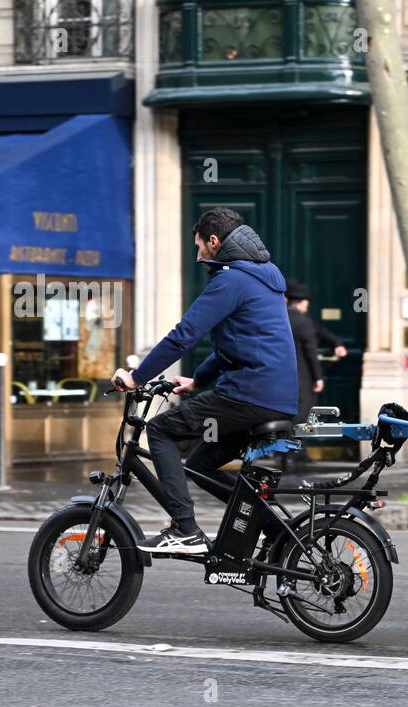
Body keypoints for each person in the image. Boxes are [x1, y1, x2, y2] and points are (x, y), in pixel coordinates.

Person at [110, 207, 298, 554]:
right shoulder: (261, 275)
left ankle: (185, 529)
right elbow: (237, 344)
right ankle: (276, 531)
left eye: (199, 246)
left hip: (249, 394)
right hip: (271, 396)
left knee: (160, 431)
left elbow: (184, 336)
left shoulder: (231, 279)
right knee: (199, 465)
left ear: (214, 241)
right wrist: (197, 381)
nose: (197, 255)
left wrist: (136, 377)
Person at [284, 279, 327, 422]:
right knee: (300, 423)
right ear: (301, 302)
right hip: (301, 380)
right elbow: (310, 352)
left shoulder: (275, 319)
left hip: (275, 379)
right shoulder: (303, 322)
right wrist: (318, 377)